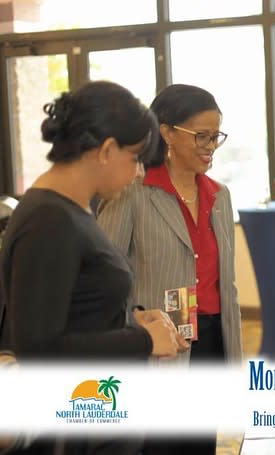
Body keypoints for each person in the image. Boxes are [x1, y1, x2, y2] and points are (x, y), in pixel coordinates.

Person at [0, 81, 188, 454]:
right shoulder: (49, 219)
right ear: (106, 150)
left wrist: (132, 318)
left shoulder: (73, 209)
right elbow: (39, 349)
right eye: (135, 158)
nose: (138, 173)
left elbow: (75, 308)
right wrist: (144, 340)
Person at [97, 83, 243, 455]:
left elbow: (227, 285)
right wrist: (136, 320)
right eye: (201, 136)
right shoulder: (132, 192)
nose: (210, 146)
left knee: (201, 445)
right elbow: (100, 277)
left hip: (212, 342)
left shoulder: (220, 196)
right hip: (158, 347)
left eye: (215, 136)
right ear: (167, 132)